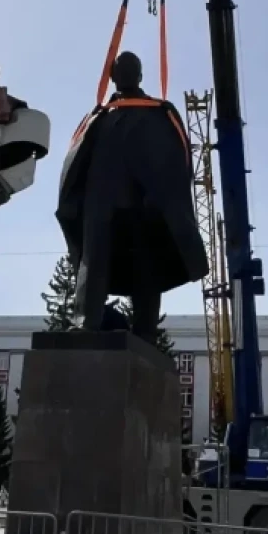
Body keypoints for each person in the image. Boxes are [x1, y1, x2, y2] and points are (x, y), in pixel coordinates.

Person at [56, 51, 208, 342]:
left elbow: (179, 161)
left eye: (129, 70)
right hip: (105, 204)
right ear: (117, 77)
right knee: (98, 260)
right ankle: (90, 323)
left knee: (143, 266)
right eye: (121, 70)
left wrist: (164, 197)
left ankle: (143, 331)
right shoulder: (100, 116)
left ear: (136, 76)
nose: (125, 75)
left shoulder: (158, 111)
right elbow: (75, 162)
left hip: (140, 204)